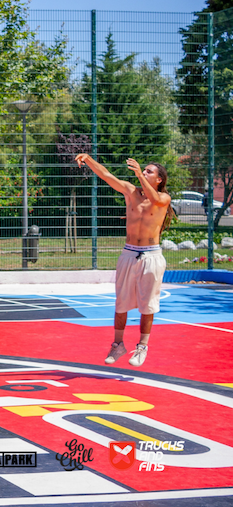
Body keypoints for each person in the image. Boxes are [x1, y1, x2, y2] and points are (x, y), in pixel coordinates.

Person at [75, 154, 173, 367]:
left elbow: (155, 199)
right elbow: (106, 175)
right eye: (143, 170)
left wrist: (139, 174)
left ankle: (142, 346)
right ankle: (118, 344)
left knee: (147, 306)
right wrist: (89, 159)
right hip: (129, 253)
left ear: (159, 180)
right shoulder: (130, 192)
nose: (145, 173)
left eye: (149, 171)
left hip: (151, 256)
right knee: (121, 304)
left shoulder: (163, 199)